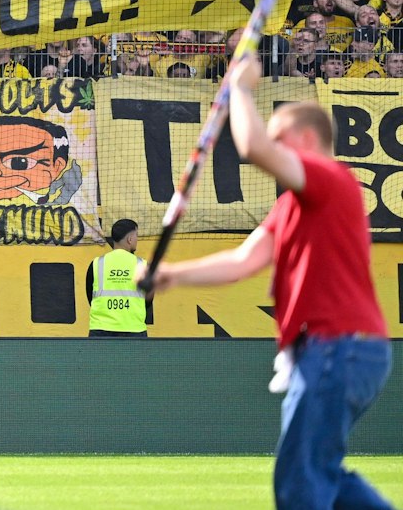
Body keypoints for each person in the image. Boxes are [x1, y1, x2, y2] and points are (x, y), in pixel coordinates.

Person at [148, 53, 393, 509]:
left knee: (300, 485)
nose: (273, 155)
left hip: (337, 347)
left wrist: (240, 89)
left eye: (280, 141)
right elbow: (242, 262)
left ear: (305, 138)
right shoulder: (296, 205)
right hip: (340, 351)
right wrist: (171, 275)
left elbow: (252, 147)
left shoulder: (328, 177)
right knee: (323, 479)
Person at [86, 219, 147, 336]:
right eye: (136, 236)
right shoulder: (142, 265)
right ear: (130, 239)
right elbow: (148, 298)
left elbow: (91, 296)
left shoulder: (96, 263)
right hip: (134, 330)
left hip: (100, 330)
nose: (136, 240)